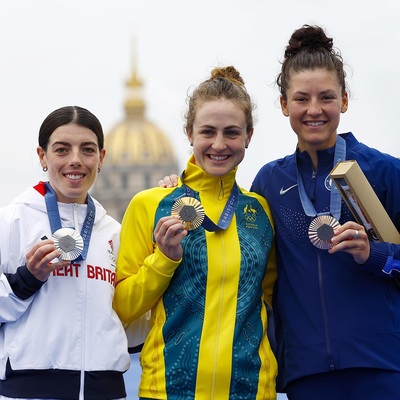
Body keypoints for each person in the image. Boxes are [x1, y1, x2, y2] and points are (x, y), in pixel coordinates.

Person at [159, 26, 400, 400]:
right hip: (305, 373)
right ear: (285, 105)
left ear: (345, 101)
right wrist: (179, 188)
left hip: (381, 366)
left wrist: (375, 255)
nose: (314, 109)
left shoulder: (385, 172)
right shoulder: (270, 182)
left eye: (327, 97)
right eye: (301, 98)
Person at [113, 66, 278, 400]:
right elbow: (120, 308)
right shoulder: (151, 204)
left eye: (232, 132)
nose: (219, 144)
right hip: (168, 390)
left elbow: (275, 302)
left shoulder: (260, 211)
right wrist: (164, 259)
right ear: (189, 133)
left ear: (249, 135)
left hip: (252, 391)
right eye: (208, 132)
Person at [0, 106, 130, 399]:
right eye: (61, 150)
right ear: (42, 156)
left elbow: (130, 319)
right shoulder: (10, 221)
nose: (75, 161)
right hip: (29, 390)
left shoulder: (114, 231)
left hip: (105, 390)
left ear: (101, 158)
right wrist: (27, 279)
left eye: (87, 150)